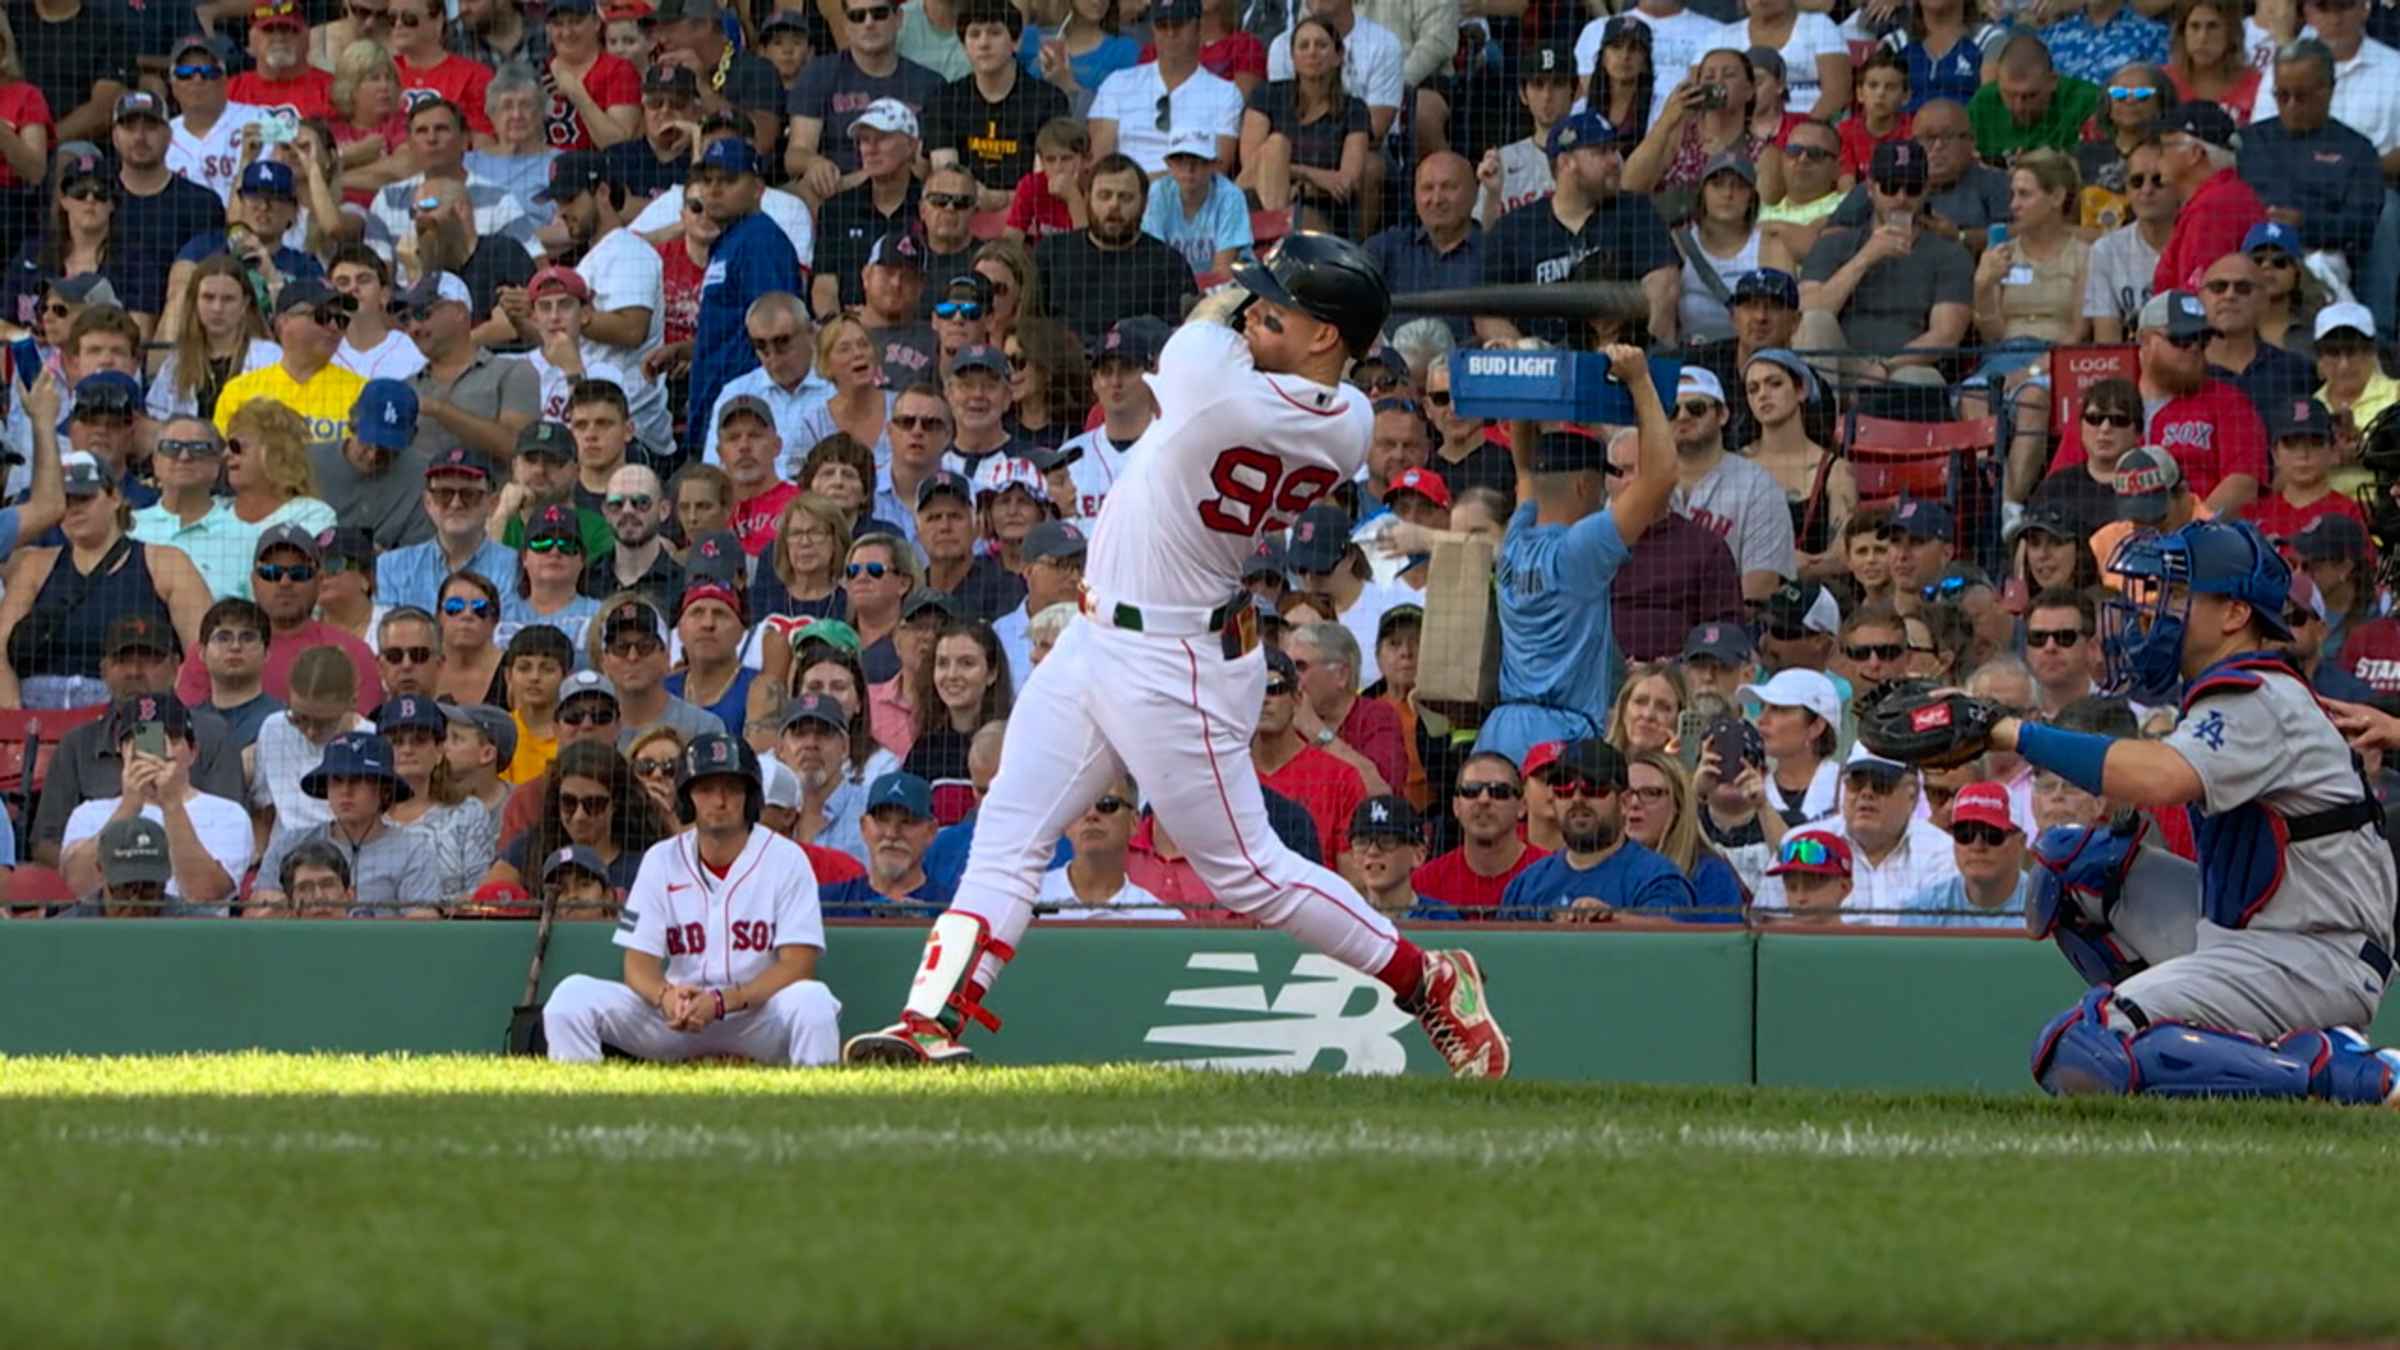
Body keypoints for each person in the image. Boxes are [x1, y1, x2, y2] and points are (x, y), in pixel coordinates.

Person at [840, 234, 1512, 1076]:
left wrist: (1239, 287)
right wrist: (1277, 296)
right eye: (1263, 306)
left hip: (1174, 662)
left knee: (1248, 874)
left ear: (1325, 340)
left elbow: (1206, 321)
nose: (1259, 317)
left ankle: (1431, 983)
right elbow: (1240, 333)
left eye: (1281, 312)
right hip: (1099, 636)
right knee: (1008, 829)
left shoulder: (1218, 388)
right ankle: (925, 1020)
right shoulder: (1351, 420)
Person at [1908, 517, 2400, 1103]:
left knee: (2084, 1044)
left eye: (2180, 595)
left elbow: (2161, 778)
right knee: (2078, 867)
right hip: (2254, 935)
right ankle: (2191, 1035)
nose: (2154, 611)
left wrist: (2010, 731)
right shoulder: (2238, 689)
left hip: (2312, 956)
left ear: (2235, 614)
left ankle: (2350, 1074)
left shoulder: (2257, 694)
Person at [541, 733, 843, 1065]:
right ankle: (582, 1114)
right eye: (706, 788)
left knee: (814, 1001)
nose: (720, 800)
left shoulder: (787, 859)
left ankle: (815, 1114)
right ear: (687, 797)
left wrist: (725, 1000)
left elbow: (798, 965)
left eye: (731, 787)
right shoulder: (659, 859)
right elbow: (637, 962)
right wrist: (665, 995)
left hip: (754, 1015)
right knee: (570, 997)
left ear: (750, 796)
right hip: (677, 1017)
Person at [1474, 353, 1676, 766]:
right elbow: (1661, 479)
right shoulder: (1581, 548)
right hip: (1558, 738)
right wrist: (1640, 381)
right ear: (1586, 485)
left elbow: (1525, 469)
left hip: (1499, 731)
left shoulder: (1517, 536)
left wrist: (1526, 382)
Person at [0, 453, 208, 709]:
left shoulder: (167, 564)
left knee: (148, 746)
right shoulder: (33, 566)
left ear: (114, 497)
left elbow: (203, 655)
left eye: (84, 497)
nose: (74, 508)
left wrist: (169, 720)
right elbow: (0, 653)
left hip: (140, 715)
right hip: (42, 718)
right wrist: (13, 729)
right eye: (66, 500)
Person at [1478, 109, 1678, 348]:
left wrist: (1641, 358)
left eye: (1614, 150)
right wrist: (1531, 360)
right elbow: (1486, 312)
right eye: (1601, 152)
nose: (1615, 160)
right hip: (1542, 367)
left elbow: (1663, 288)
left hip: (1624, 361)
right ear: (1566, 163)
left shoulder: (1635, 211)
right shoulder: (1516, 228)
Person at [1796, 140, 1972, 393]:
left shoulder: (1949, 253)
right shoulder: (1834, 244)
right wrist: (1865, 257)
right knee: (1815, 322)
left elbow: (1946, 335)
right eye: (1890, 187)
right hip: (1841, 363)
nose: (1901, 198)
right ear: (1870, 188)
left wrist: (1887, 367)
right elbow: (1807, 311)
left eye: (1911, 188)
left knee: (1922, 381)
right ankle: (1821, 425)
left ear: (1926, 190)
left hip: (1904, 367)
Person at [57, 694, 253, 911]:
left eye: (171, 738)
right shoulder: (89, 813)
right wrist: (129, 806)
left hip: (193, 938)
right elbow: (79, 884)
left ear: (193, 752)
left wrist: (171, 805)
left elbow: (203, 895)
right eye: (143, 738)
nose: (155, 750)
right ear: (122, 750)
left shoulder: (228, 814)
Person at [686, 137, 803, 457]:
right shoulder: (732, 239)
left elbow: (775, 332)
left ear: (758, 188)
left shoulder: (760, 240)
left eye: (728, 180)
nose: (714, 189)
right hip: (720, 407)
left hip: (746, 419)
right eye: (707, 180)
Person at [1755, 742, 1958, 922]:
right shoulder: (1804, 841)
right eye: (1857, 782)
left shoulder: (1942, 852)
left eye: (1881, 784)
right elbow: (1769, 926)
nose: (1866, 793)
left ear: (1912, 795)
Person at [1498, 738, 1697, 919]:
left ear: (1624, 802)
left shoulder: (1657, 878)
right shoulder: (1526, 885)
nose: (1577, 798)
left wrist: (1611, 922)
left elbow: (1669, 942)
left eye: (1593, 786)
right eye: (1563, 787)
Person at [251, 731, 440, 915]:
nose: (346, 791)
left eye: (358, 780)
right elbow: (256, 913)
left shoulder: (413, 850)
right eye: (337, 781)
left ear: (385, 790)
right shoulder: (289, 843)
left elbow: (424, 922)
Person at [2238, 40, 2382, 277]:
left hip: (2319, 258)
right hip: (2249, 254)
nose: (2292, 106)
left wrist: (2305, 224)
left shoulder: (2357, 150)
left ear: (2330, 89)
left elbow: (2362, 227)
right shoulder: (2248, 142)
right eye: (2282, 95)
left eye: (2302, 96)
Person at [2151, 101, 2265, 297]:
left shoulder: (2215, 208)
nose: (2157, 160)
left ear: (2195, 154)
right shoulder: (2222, 197)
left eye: (2164, 148)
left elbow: (2199, 302)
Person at [148, 257, 281, 424]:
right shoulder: (176, 363)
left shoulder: (270, 358)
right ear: (195, 301)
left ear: (245, 304)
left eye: (228, 299)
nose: (217, 308)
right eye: (208, 297)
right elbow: (157, 417)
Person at [1410, 751, 1545, 913]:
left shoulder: (1551, 875)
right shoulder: (1424, 882)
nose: (1483, 800)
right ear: (1456, 806)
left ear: (1522, 806)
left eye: (1498, 791)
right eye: (1471, 790)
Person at [1622, 749, 1746, 922]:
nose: (1634, 803)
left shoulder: (1711, 874)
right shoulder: (1604, 867)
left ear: (1678, 806)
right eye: (1626, 793)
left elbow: (1721, 947)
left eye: (1651, 793)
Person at [1893, 780, 2028, 927]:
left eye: (1992, 834)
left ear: (2021, 842)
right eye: (1965, 833)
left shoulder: (2047, 908)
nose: (1977, 846)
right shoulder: (1923, 910)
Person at [818, 769, 952, 916]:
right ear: (864, 827)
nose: (892, 834)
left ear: (931, 831)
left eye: (907, 822)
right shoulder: (826, 904)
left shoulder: (953, 909)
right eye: (882, 820)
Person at [2084, 140, 2178, 342]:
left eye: (2158, 180)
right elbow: (2107, 341)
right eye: (2136, 182)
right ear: (2126, 191)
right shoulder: (2106, 251)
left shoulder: (2197, 241)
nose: (2146, 190)